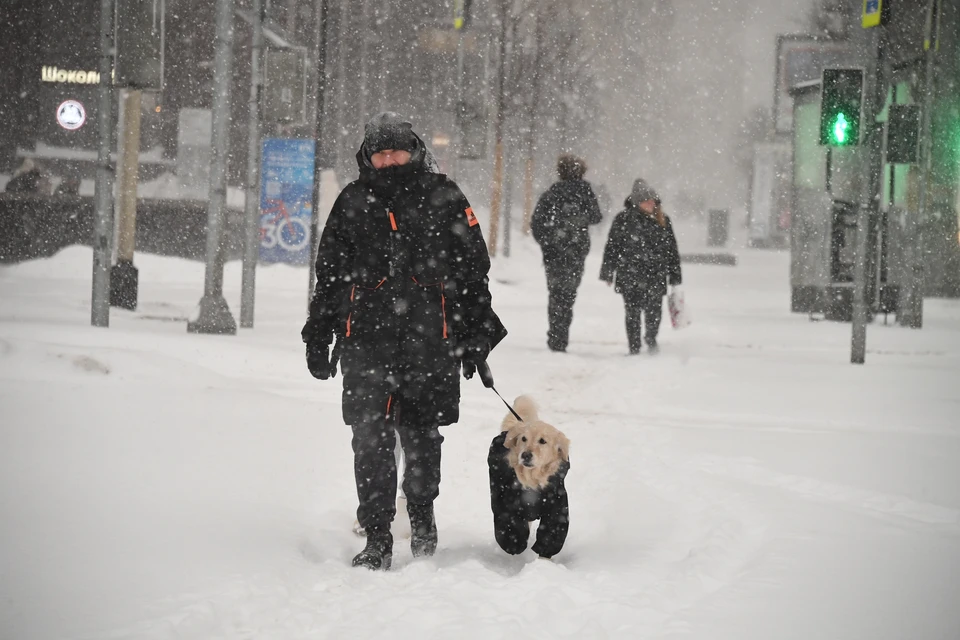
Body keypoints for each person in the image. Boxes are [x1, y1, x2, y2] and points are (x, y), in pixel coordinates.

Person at [301, 112, 507, 571]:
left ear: (414, 151)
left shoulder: (445, 196)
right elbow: (330, 275)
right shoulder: (352, 201)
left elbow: (473, 271)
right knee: (369, 438)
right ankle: (377, 534)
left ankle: (421, 514)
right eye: (380, 151)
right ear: (368, 156)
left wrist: (475, 334)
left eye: (396, 149)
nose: (388, 158)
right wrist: (319, 332)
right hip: (365, 343)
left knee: (421, 435)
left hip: (430, 342)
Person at [599, 179, 681, 355]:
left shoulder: (663, 221)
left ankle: (651, 339)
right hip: (630, 274)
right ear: (637, 202)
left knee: (654, 312)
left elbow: (672, 250)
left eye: (653, 200)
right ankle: (634, 345)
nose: (651, 203)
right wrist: (607, 272)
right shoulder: (623, 220)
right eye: (647, 200)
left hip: (655, 274)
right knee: (632, 312)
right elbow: (612, 247)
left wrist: (675, 275)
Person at [530, 154, 602, 352]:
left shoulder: (551, 194)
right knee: (568, 295)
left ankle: (555, 335)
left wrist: (548, 242)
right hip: (576, 252)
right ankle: (562, 334)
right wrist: (579, 222)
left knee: (555, 294)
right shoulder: (586, 193)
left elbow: (536, 223)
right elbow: (596, 217)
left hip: (554, 254)